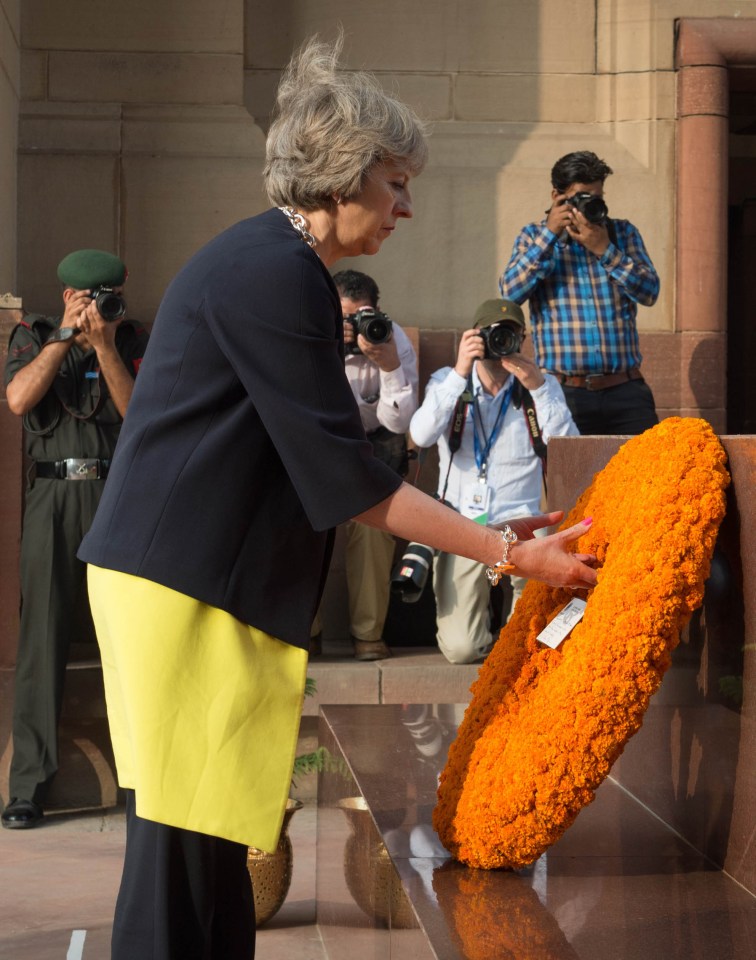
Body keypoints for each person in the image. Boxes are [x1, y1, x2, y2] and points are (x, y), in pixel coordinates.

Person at [76, 36, 597, 960]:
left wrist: (481, 526)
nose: (407, 203)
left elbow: (324, 467)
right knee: (176, 857)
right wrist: (507, 554)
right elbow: (347, 480)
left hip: (199, 581)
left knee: (206, 853)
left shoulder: (278, 265)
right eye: (395, 182)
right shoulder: (272, 270)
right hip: (181, 585)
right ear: (343, 175)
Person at [1, 250, 148, 830]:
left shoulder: (135, 338)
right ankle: (28, 787)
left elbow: (138, 417)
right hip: (51, 499)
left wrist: (106, 343)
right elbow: (17, 400)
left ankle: (141, 782)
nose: (96, 308)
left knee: (132, 641)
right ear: (65, 295)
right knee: (41, 640)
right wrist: (63, 337)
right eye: (86, 298)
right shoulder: (32, 337)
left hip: (115, 496)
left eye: (107, 297)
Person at [409, 298, 578, 664]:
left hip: (524, 524)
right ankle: (493, 650)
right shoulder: (448, 382)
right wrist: (459, 371)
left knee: (532, 644)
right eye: (492, 335)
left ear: (522, 338)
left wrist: (538, 387)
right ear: (475, 337)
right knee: (462, 649)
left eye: (510, 334)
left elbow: (568, 445)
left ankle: (513, 651)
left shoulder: (540, 388)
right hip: (464, 526)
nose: (500, 341)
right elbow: (420, 435)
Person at [499, 150, 660, 436]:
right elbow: (510, 293)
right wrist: (549, 235)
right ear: (556, 197)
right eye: (580, 197)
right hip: (564, 392)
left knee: (645, 476)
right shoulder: (532, 237)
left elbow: (649, 292)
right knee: (571, 479)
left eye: (596, 196)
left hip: (626, 391)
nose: (590, 205)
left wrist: (604, 250)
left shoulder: (622, 234)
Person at [310, 268, 418, 661]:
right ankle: (307, 631)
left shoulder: (391, 339)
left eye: (360, 316)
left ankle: (367, 634)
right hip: (318, 450)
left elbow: (400, 422)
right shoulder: (311, 335)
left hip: (371, 449)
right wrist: (329, 348)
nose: (353, 327)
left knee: (374, 531)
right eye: (343, 318)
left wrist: (388, 365)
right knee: (304, 526)